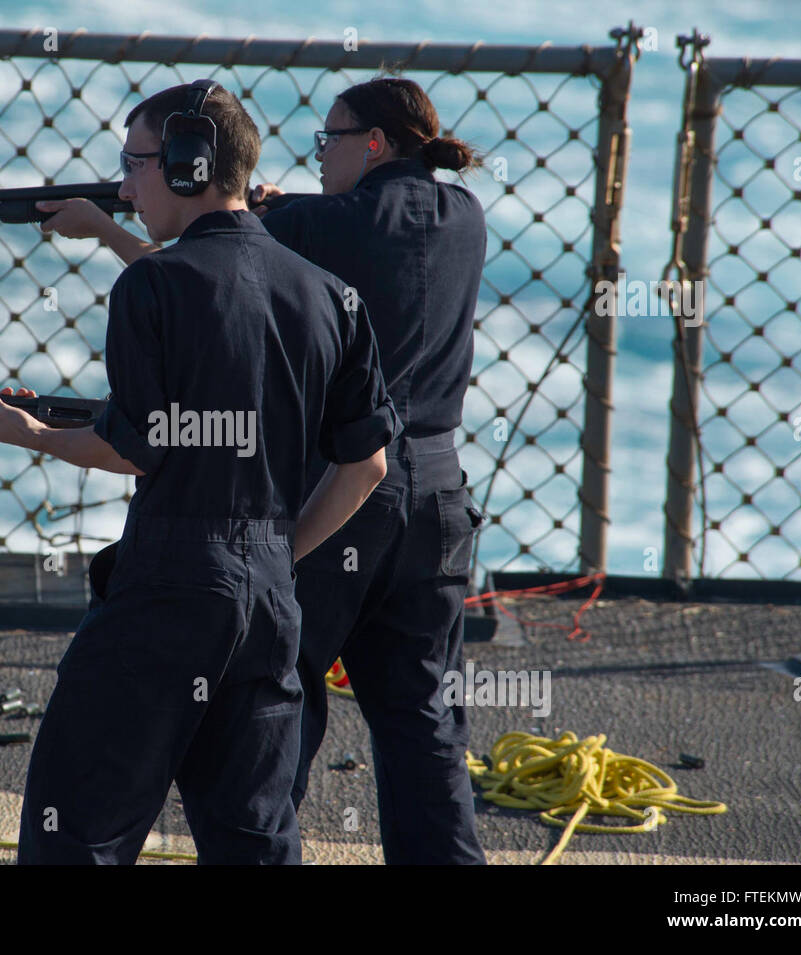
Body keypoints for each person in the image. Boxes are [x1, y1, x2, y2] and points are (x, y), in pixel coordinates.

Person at [36, 75, 489, 865]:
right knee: (424, 724)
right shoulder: (465, 216)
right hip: (439, 491)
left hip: (336, 495)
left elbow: (208, 279)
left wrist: (107, 231)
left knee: (276, 715)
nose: (320, 157)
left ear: (373, 144)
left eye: (332, 141)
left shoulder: (319, 223)